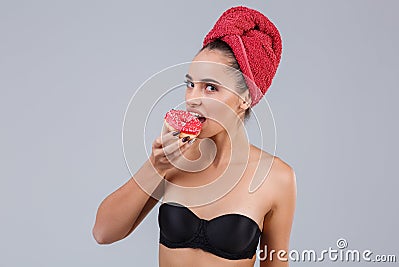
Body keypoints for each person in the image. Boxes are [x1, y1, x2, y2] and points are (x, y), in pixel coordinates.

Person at [92, 6, 296, 267]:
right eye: (190, 85)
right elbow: (103, 233)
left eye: (210, 87)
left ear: (245, 98)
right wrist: (157, 166)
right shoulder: (174, 156)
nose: (192, 100)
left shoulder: (277, 178)